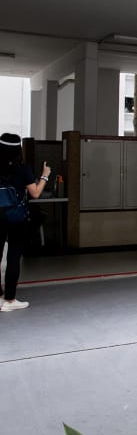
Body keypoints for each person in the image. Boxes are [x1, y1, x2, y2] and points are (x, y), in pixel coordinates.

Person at [0, 133, 51, 312]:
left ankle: (0, 297)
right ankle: (10, 299)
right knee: (13, 257)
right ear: (18, 149)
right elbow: (35, 193)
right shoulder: (23, 169)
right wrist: (45, 176)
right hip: (17, 219)